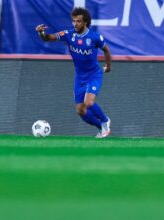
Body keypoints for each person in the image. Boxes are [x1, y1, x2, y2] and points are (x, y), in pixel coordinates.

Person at [35, 7, 111, 138]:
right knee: (81, 110)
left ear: (85, 22)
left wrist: (108, 66)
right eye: (74, 21)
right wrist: (41, 33)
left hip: (94, 74)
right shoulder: (69, 35)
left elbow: (106, 51)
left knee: (89, 103)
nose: (75, 24)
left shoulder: (95, 37)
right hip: (80, 77)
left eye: (79, 21)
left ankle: (105, 120)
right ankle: (101, 128)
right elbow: (48, 38)